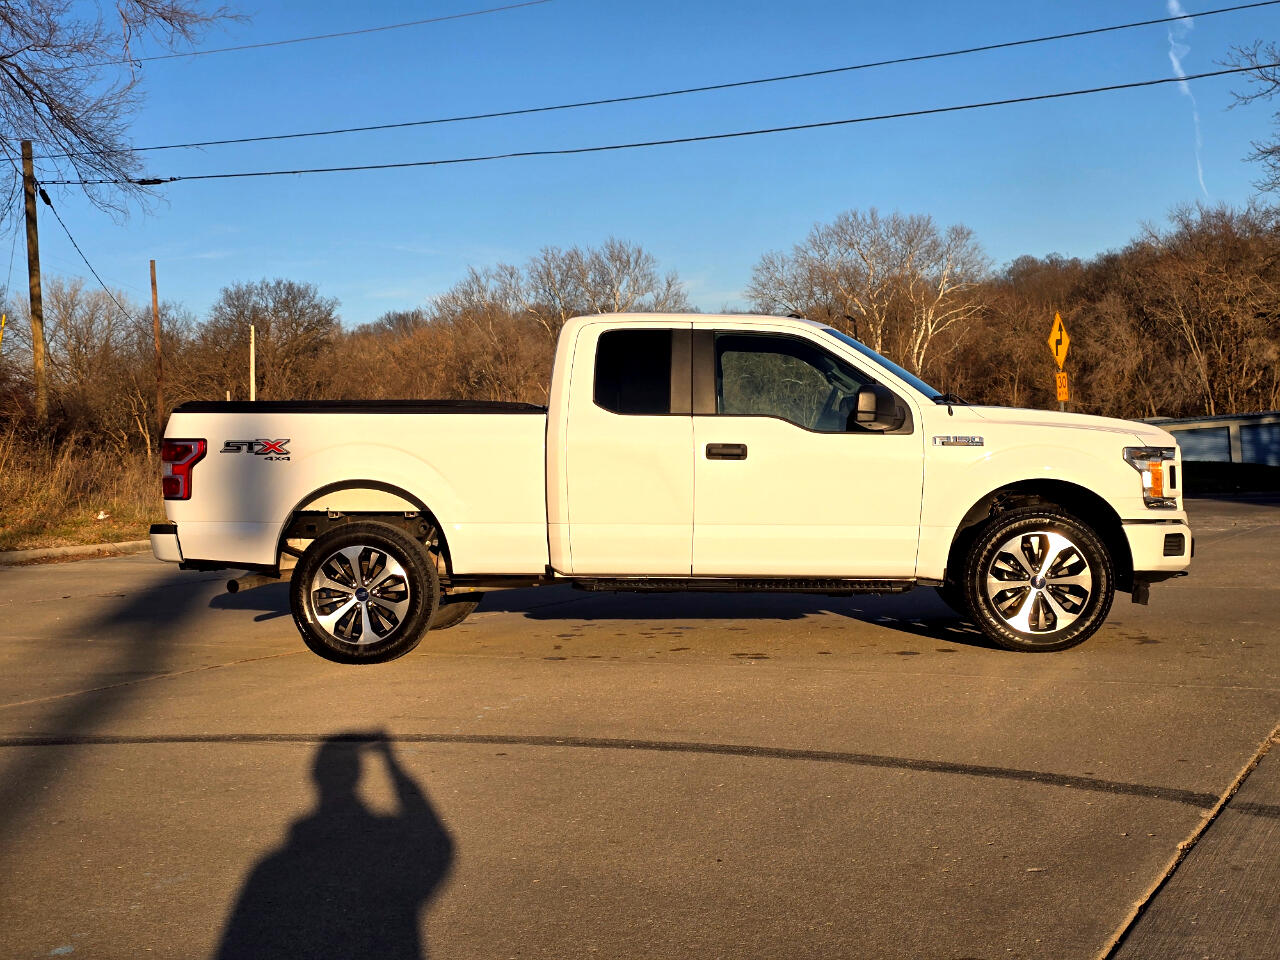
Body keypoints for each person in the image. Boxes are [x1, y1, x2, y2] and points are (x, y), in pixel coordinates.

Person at [215, 733, 453, 960]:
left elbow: (238, 941)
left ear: (316, 778)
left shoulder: (272, 868)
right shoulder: (386, 842)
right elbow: (433, 836)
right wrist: (390, 761)